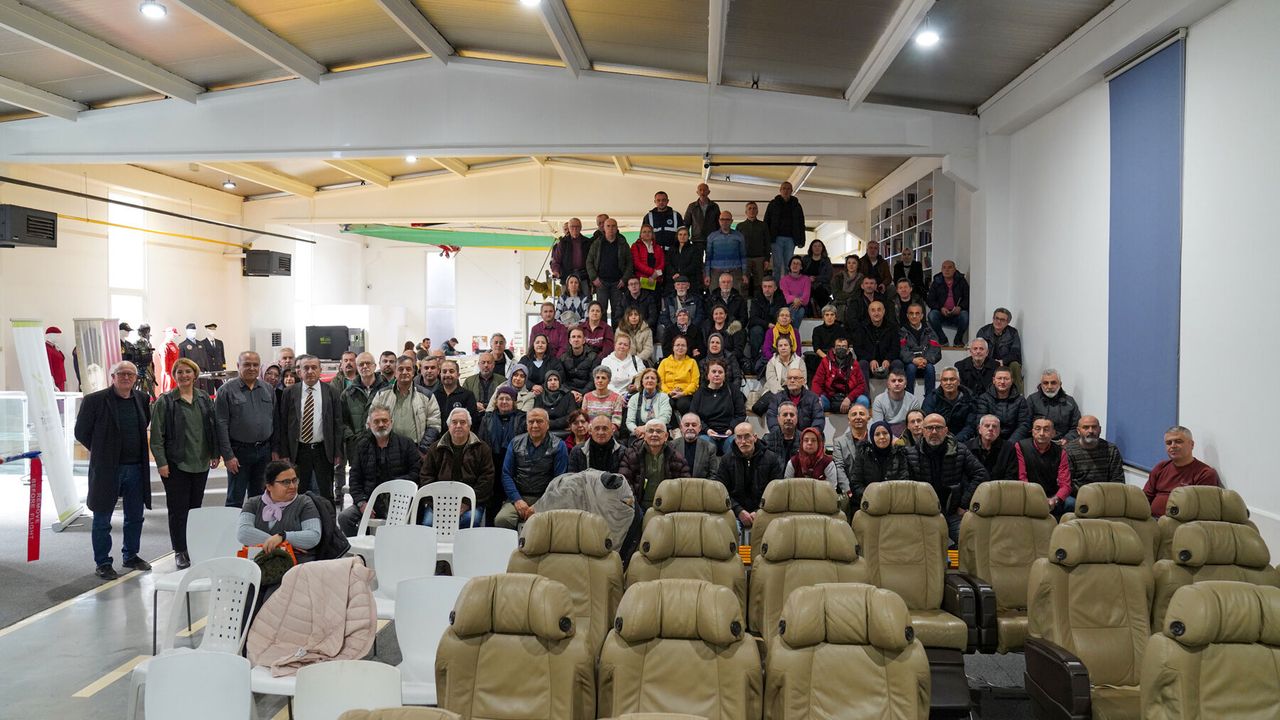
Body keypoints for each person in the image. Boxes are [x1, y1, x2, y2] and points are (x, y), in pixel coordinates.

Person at [151, 357, 220, 570]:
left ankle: (192, 546)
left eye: (188, 372)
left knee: (195, 510)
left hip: (200, 463)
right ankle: (180, 550)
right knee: (178, 510)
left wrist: (214, 452)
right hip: (176, 464)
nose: (184, 375)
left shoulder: (204, 398)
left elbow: (212, 427)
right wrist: (161, 462)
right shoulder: (165, 401)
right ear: (174, 375)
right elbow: (157, 436)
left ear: (195, 374)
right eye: (179, 372)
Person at [337, 406, 421, 536]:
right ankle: (362, 546)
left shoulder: (406, 444)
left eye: (384, 420)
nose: (381, 424)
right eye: (376, 421)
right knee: (344, 518)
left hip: (400, 502)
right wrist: (362, 503)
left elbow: (416, 473)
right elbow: (354, 479)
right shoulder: (362, 446)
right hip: (369, 501)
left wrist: (396, 486)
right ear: (369, 425)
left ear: (391, 422)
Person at [906, 413, 989, 543]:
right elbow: (905, 485)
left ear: (946, 430)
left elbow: (981, 474)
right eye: (929, 428)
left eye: (938, 428)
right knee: (915, 545)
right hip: (923, 514)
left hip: (953, 513)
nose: (934, 432)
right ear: (923, 431)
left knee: (973, 542)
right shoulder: (910, 454)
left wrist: (964, 503)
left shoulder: (960, 450)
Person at [274, 355, 343, 501]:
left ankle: (327, 516)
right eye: (306, 368)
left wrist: (338, 451)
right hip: (299, 450)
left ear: (320, 370)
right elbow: (283, 424)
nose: (310, 371)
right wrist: (284, 452)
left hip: (323, 450)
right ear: (299, 372)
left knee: (325, 492)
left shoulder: (331, 392)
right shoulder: (289, 392)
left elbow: (337, 423)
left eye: (314, 367)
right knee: (298, 491)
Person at [214, 351, 276, 509]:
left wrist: (274, 450)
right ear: (238, 366)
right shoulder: (226, 391)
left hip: (264, 452)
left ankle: (255, 525)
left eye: (255, 365)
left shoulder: (268, 389)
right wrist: (228, 456)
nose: (252, 368)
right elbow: (221, 425)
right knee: (235, 499)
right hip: (239, 453)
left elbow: (274, 420)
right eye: (247, 364)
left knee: (261, 498)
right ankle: (232, 526)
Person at [419, 408, 494, 528]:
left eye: (463, 422)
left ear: (469, 426)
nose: (458, 426)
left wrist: (467, 503)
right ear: (449, 426)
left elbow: (486, 480)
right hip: (439, 502)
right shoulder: (435, 448)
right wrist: (438, 502)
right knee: (428, 524)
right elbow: (426, 477)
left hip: (471, 502)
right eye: (454, 422)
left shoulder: (482, 449)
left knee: (469, 520)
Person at [495, 408, 568, 529]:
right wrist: (517, 500)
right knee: (502, 520)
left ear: (547, 424)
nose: (535, 425)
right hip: (519, 496)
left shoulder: (559, 446)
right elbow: (506, 474)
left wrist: (539, 505)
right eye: (531, 422)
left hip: (546, 498)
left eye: (539, 421)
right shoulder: (515, 442)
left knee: (542, 525)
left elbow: (559, 480)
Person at [237, 460, 321, 562]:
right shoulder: (253, 503)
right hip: (259, 564)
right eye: (286, 482)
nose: (292, 486)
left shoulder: (305, 503)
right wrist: (280, 543)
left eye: (294, 480)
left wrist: (283, 536)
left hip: (297, 565)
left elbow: (313, 536)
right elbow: (243, 532)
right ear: (269, 486)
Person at [714, 422, 785, 529]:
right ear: (735, 440)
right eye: (739, 437)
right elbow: (720, 491)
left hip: (765, 511)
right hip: (734, 512)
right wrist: (739, 511)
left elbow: (777, 492)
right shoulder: (726, 460)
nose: (743, 441)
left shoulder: (771, 459)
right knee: (725, 528)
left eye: (747, 436)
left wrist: (759, 511)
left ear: (755, 437)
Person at [371, 355, 443, 453]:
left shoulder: (427, 396)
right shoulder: (382, 395)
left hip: (416, 449)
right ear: (395, 372)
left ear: (413, 372)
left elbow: (434, 424)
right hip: (387, 448)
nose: (404, 372)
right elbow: (371, 421)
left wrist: (423, 449)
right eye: (400, 369)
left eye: (408, 369)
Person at [1144, 426, 1221, 517]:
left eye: (1178, 441)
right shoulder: (1160, 467)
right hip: (1151, 519)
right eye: (1169, 443)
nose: (1173, 446)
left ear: (1191, 444)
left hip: (1180, 522)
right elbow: (1145, 498)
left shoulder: (1205, 473)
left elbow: (1202, 511)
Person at [339, 352, 387, 491]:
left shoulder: (387, 389)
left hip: (383, 444)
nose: (365, 366)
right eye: (361, 364)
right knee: (359, 484)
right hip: (357, 447)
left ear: (375, 366)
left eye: (368, 363)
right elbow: (342, 421)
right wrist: (353, 438)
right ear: (356, 367)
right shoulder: (347, 393)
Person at [478, 386, 526, 519]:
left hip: (515, 466)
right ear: (496, 401)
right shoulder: (487, 418)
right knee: (493, 505)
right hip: (492, 465)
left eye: (508, 399)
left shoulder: (522, 418)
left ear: (514, 402)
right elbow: (481, 442)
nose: (504, 402)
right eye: (501, 398)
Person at [620, 420, 690, 509]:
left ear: (666, 436)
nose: (654, 434)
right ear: (644, 435)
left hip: (668, 506)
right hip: (637, 506)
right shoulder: (631, 454)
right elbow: (624, 480)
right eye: (650, 431)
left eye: (659, 431)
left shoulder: (676, 457)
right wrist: (634, 504)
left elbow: (684, 484)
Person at [1015, 416, 1072, 516]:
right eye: (1038, 429)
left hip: (1052, 495)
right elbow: (1021, 477)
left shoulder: (1060, 452)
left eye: (1046, 429)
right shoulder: (1021, 446)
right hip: (1028, 493)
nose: (1041, 433)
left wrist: (1055, 499)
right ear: (1032, 432)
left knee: (1071, 504)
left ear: (1053, 433)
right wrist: (1037, 498)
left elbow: (1065, 484)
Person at [689, 360, 745, 452]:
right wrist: (706, 429)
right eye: (714, 371)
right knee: (704, 443)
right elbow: (693, 416)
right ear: (708, 375)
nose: (717, 374)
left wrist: (731, 428)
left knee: (735, 443)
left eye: (720, 372)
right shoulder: (700, 393)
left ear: (724, 375)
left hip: (729, 434)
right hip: (707, 434)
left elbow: (740, 414)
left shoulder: (733, 390)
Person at [586, 217, 634, 324]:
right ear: (604, 228)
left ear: (617, 228)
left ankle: (617, 333)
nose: (611, 228)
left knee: (617, 311)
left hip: (618, 283)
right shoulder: (597, 243)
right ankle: (602, 332)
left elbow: (630, 263)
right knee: (601, 311)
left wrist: (624, 279)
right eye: (608, 226)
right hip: (601, 283)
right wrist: (594, 277)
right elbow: (589, 262)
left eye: (613, 226)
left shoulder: (623, 243)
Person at [851, 420, 910, 505]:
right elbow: (856, 483)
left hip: (894, 502)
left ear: (890, 435)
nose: (882, 437)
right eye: (877, 434)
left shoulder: (899, 454)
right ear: (872, 437)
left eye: (885, 433)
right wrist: (871, 497)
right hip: (869, 502)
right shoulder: (863, 455)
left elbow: (904, 482)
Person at [1064, 416, 1124, 497]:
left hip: (1105, 494)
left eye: (1094, 427)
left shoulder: (1111, 449)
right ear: (1078, 431)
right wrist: (1088, 495)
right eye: (1086, 427)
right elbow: (1066, 482)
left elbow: (1118, 479)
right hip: (1078, 495)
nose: (1091, 431)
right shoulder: (1068, 450)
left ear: (1100, 430)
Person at [969, 367, 1031, 442]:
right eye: (999, 378)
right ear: (993, 380)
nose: (1002, 382)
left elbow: (1023, 425)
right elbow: (981, 423)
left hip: (1013, 442)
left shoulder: (1020, 400)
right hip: (990, 440)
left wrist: (1009, 444)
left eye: (1006, 379)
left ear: (1012, 381)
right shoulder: (984, 398)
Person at [811, 336, 868, 413]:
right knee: (816, 402)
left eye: (844, 347)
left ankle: (853, 412)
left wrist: (849, 398)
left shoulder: (854, 364)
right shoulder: (825, 362)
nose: (841, 348)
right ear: (834, 350)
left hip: (849, 398)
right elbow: (817, 382)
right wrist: (817, 398)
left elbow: (861, 385)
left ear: (848, 351)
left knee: (864, 401)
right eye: (838, 346)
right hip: (829, 398)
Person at [976, 308, 1024, 392]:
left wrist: (1003, 361)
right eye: (996, 318)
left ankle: (1018, 394)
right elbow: (979, 349)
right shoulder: (983, 331)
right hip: (987, 362)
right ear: (993, 318)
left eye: (1002, 320)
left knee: (1015, 365)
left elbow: (1015, 353)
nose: (998, 321)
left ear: (1008, 322)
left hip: (1005, 363)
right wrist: (992, 362)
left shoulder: (1013, 333)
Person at [899, 301, 941, 397]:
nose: (914, 316)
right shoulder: (902, 331)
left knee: (930, 368)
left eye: (917, 313)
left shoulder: (930, 331)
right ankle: (909, 398)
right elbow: (902, 350)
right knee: (911, 368)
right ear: (907, 316)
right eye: (911, 313)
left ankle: (930, 399)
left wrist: (925, 360)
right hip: (910, 365)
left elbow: (936, 350)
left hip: (925, 363)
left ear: (922, 316)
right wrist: (913, 359)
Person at [832, 403, 872, 503]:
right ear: (849, 420)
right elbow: (839, 467)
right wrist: (848, 491)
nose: (858, 417)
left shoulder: (875, 440)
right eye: (854, 414)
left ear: (868, 418)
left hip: (872, 490)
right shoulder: (839, 442)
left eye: (861, 414)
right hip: (850, 492)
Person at [923, 367, 977, 441]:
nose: (948, 383)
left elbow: (970, 426)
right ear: (941, 383)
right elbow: (928, 423)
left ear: (958, 382)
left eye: (952, 379)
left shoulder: (969, 398)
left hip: (963, 441)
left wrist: (955, 441)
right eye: (945, 380)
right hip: (937, 439)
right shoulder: (932, 398)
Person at [765, 180, 805, 281]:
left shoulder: (797, 205)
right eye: (784, 188)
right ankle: (777, 287)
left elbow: (801, 223)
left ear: (792, 191)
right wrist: (766, 239)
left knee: (789, 265)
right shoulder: (773, 204)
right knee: (777, 265)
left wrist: (802, 240)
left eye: (788, 189)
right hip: (776, 238)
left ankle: (788, 286)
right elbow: (766, 221)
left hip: (791, 238)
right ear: (780, 190)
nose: (786, 191)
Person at [1026, 369, 1081, 442]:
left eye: (1053, 383)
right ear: (1041, 385)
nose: (1049, 386)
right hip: (1038, 442)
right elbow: (1026, 425)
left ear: (1060, 384)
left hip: (1063, 443)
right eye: (1045, 383)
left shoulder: (1070, 402)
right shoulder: (1032, 400)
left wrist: (1067, 439)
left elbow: (1076, 427)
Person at [767, 368, 825, 434]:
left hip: (806, 437)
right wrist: (779, 434)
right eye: (789, 378)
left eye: (795, 378)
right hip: (783, 436)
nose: (792, 380)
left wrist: (810, 434)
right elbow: (771, 417)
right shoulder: (777, 398)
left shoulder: (813, 398)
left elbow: (819, 418)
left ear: (803, 381)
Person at [784, 426, 841, 493]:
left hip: (821, 497)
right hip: (797, 497)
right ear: (801, 443)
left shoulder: (828, 463)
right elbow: (787, 487)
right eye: (806, 440)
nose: (809, 443)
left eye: (813, 440)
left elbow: (831, 489)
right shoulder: (793, 462)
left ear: (819, 443)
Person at [925, 260, 970, 346]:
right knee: (932, 315)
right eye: (944, 268)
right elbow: (930, 300)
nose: (947, 270)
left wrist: (960, 307)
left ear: (955, 269)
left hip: (957, 314)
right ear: (941, 270)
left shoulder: (961, 281)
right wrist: (940, 308)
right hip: (941, 313)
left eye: (950, 267)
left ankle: (958, 340)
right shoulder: (936, 282)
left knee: (965, 315)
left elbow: (967, 298)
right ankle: (943, 340)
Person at [852, 300, 897, 383]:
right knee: (862, 364)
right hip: (868, 361)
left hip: (887, 362)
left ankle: (897, 391)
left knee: (898, 363)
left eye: (879, 310)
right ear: (869, 312)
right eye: (873, 310)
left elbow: (895, 348)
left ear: (884, 311)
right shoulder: (861, 328)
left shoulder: (892, 327)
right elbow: (858, 348)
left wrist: (888, 359)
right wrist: (870, 360)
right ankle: (864, 392)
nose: (876, 313)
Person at [748, 276, 787, 368]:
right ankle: (755, 361)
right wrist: (767, 324)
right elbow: (753, 318)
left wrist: (777, 325)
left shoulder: (780, 298)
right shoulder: (756, 299)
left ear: (775, 288)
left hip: (777, 326)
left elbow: (784, 314)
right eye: (765, 286)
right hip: (761, 327)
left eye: (770, 287)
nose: (767, 289)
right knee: (756, 331)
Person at [871, 368, 922, 436]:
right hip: (886, 434)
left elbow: (915, 424)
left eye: (900, 380)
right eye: (893, 381)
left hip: (907, 433)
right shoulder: (879, 400)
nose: (897, 383)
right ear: (888, 384)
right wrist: (893, 439)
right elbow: (878, 425)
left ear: (905, 384)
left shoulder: (913, 400)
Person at [705, 211, 747, 291]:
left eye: (727, 219)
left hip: (735, 272)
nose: (724, 222)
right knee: (714, 295)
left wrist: (744, 274)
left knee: (736, 295)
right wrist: (707, 275)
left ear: (731, 221)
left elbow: (743, 256)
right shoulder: (712, 236)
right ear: (719, 221)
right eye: (722, 219)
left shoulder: (739, 236)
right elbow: (708, 257)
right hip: (716, 272)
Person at [966, 414, 1017, 480]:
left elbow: (1011, 476)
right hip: (974, 486)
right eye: (987, 426)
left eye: (994, 426)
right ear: (979, 429)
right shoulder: (967, 447)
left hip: (1000, 486)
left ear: (999, 431)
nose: (990, 429)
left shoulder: (1009, 449)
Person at [657, 335, 699, 415]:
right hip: (667, 393)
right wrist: (669, 392)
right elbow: (660, 381)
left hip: (686, 394)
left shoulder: (692, 362)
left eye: (683, 345)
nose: (680, 347)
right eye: (677, 345)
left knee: (683, 404)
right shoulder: (664, 362)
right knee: (668, 403)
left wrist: (683, 393)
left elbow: (694, 383)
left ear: (687, 348)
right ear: (673, 348)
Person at [625, 368, 671, 439]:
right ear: (642, 382)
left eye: (653, 378)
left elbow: (665, 418)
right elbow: (630, 422)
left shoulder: (664, 397)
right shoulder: (634, 398)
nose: (649, 380)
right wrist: (637, 430)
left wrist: (646, 428)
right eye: (647, 378)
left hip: (658, 434)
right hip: (639, 435)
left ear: (657, 382)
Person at [660, 274, 702, 350]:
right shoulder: (668, 300)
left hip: (691, 332)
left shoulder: (696, 299)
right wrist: (673, 328)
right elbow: (664, 317)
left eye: (683, 284)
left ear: (688, 286)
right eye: (678, 285)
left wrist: (691, 328)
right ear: (675, 287)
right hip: (673, 331)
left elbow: (700, 315)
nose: (681, 287)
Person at [737, 200, 771, 293]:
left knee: (760, 284)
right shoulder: (740, 226)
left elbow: (767, 243)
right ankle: (742, 301)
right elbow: (737, 244)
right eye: (750, 208)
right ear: (746, 212)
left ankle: (759, 301)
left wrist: (767, 259)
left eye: (754, 208)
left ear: (757, 211)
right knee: (743, 283)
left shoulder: (763, 225)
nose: (752, 210)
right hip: (745, 259)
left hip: (760, 258)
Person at [807, 304, 850, 378]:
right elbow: (816, 348)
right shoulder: (817, 330)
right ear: (823, 317)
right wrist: (827, 359)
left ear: (835, 317)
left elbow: (844, 346)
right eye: (827, 315)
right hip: (822, 356)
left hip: (838, 355)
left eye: (832, 315)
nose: (829, 317)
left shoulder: (841, 330)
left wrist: (835, 358)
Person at [670, 413, 718, 478]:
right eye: (687, 425)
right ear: (681, 427)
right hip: (678, 484)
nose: (690, 428)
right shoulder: (671, 446)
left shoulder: (710, 448)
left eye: (694, 425)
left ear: (700, 428)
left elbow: (713, 475)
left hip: (702, 484)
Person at [434, 359, 478, 426]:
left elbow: (472, 422)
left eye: (451, 371)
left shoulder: (468, 396)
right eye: (444, 371)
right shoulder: (434, 395)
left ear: (458, 375)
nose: (447, 374)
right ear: (440, 375)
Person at [701, 306, 746, 371]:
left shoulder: (735, 329)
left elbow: (738, 350)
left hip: (730, 361)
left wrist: (726, 359)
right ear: (713, 316)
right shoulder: (707, 329)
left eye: (721, 313)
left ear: (725, 315)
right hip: (710, 361)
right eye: (716, 314)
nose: (718, 316)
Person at [601, 332, 645, 397]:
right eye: (620, 344)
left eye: (625, 345)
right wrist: (618, 396)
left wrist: (636, 386)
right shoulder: (606, 361)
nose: (622, 346)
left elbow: (643, 377)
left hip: (631, 395)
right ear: (615, 345)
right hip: (610, 395)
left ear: (629, 348)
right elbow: (603, 381)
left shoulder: (636, 360)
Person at [666, 229, 704, 298]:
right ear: (677, 236)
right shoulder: (672, 249)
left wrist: (680, 274)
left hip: (690, 280)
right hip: (673, 279)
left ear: (688, 236)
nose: (682, 236)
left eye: (685, 234)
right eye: (680, 234)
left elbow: (694, 265)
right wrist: (674, 273)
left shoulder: (694, 249)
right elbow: (668, 263)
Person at [550, 217, 591, 281]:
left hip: (584, 277)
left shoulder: (588, 242)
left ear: (581, 228)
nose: (575, 229)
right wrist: (556, 271)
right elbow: (556, 261)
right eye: (572, 227)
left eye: (577, 226)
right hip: (566, 277)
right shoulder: (562, 243)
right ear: (569, 228)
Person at [557, 327, 596, 396]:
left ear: (584, 340)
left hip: (587, 393)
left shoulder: (593, 357)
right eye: (573, 337)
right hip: (568, 392)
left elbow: (593, 380)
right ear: (570, 340)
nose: (576, 339)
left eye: (579, 337)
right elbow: (561, 380)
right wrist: (570, 392)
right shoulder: (563, 358)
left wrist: (582, 394)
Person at [684, 182, 721, 252]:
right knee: (697, 258)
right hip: (697, 239)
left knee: (711, 258)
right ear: (697, 192)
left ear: (708, 192)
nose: (702, 192)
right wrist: (685, 237)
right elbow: (686, 223)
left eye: (704, 190)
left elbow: (719, 223)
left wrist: (719, 237)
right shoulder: (692, 206)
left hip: (712, 238)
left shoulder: (715, 206)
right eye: (700, 190)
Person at [630, 223, 665, 293]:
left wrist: (654, 276)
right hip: (641, 281)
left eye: (649, 232)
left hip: (656, 280)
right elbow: (637, 263)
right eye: (644, 232)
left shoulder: (658, 247)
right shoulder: (635, 246)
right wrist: (653, 273)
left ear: (652, 234)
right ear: (640, 234)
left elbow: (662, 264)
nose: (647, 234)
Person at [801, 239, 833, 312]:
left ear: (822, 248)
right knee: (806, 293)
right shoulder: (806, 259)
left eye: (819, 246)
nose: (817, 248)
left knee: (820, 291)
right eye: (815, 246)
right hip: (807, 285)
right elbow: (801, 273)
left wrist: (815, 278)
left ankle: (824, 313)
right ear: (811, 248)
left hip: (823, 285)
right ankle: (809, 314)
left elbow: (828, 276)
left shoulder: (826, 260)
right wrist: (808, 279)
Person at [779, 256, 812, 323]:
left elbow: (806, 297)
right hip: (788, 305)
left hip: (803, 305)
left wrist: (797, 301)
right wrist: (795, 299)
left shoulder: (806, 279)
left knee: (801, 311)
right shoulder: (784, 280)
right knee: (797, 311)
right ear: (790, 266)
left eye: (798, 264)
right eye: (793, 263)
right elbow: (785, 295)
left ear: (801, 267)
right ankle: (794, 329)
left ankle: (791, 327)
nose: (795, 265)